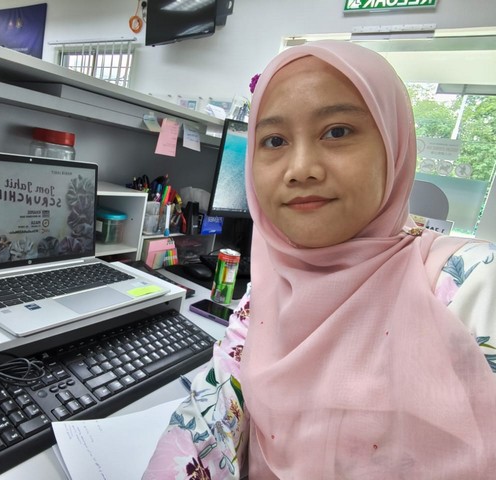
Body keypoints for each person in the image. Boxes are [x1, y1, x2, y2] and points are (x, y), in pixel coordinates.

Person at [143, 41, 496, 479]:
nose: (301, 168)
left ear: (394, 145)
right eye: (274, 140)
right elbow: (203, 426)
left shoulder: (470, 283)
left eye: (337, 132)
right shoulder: (266, 296)